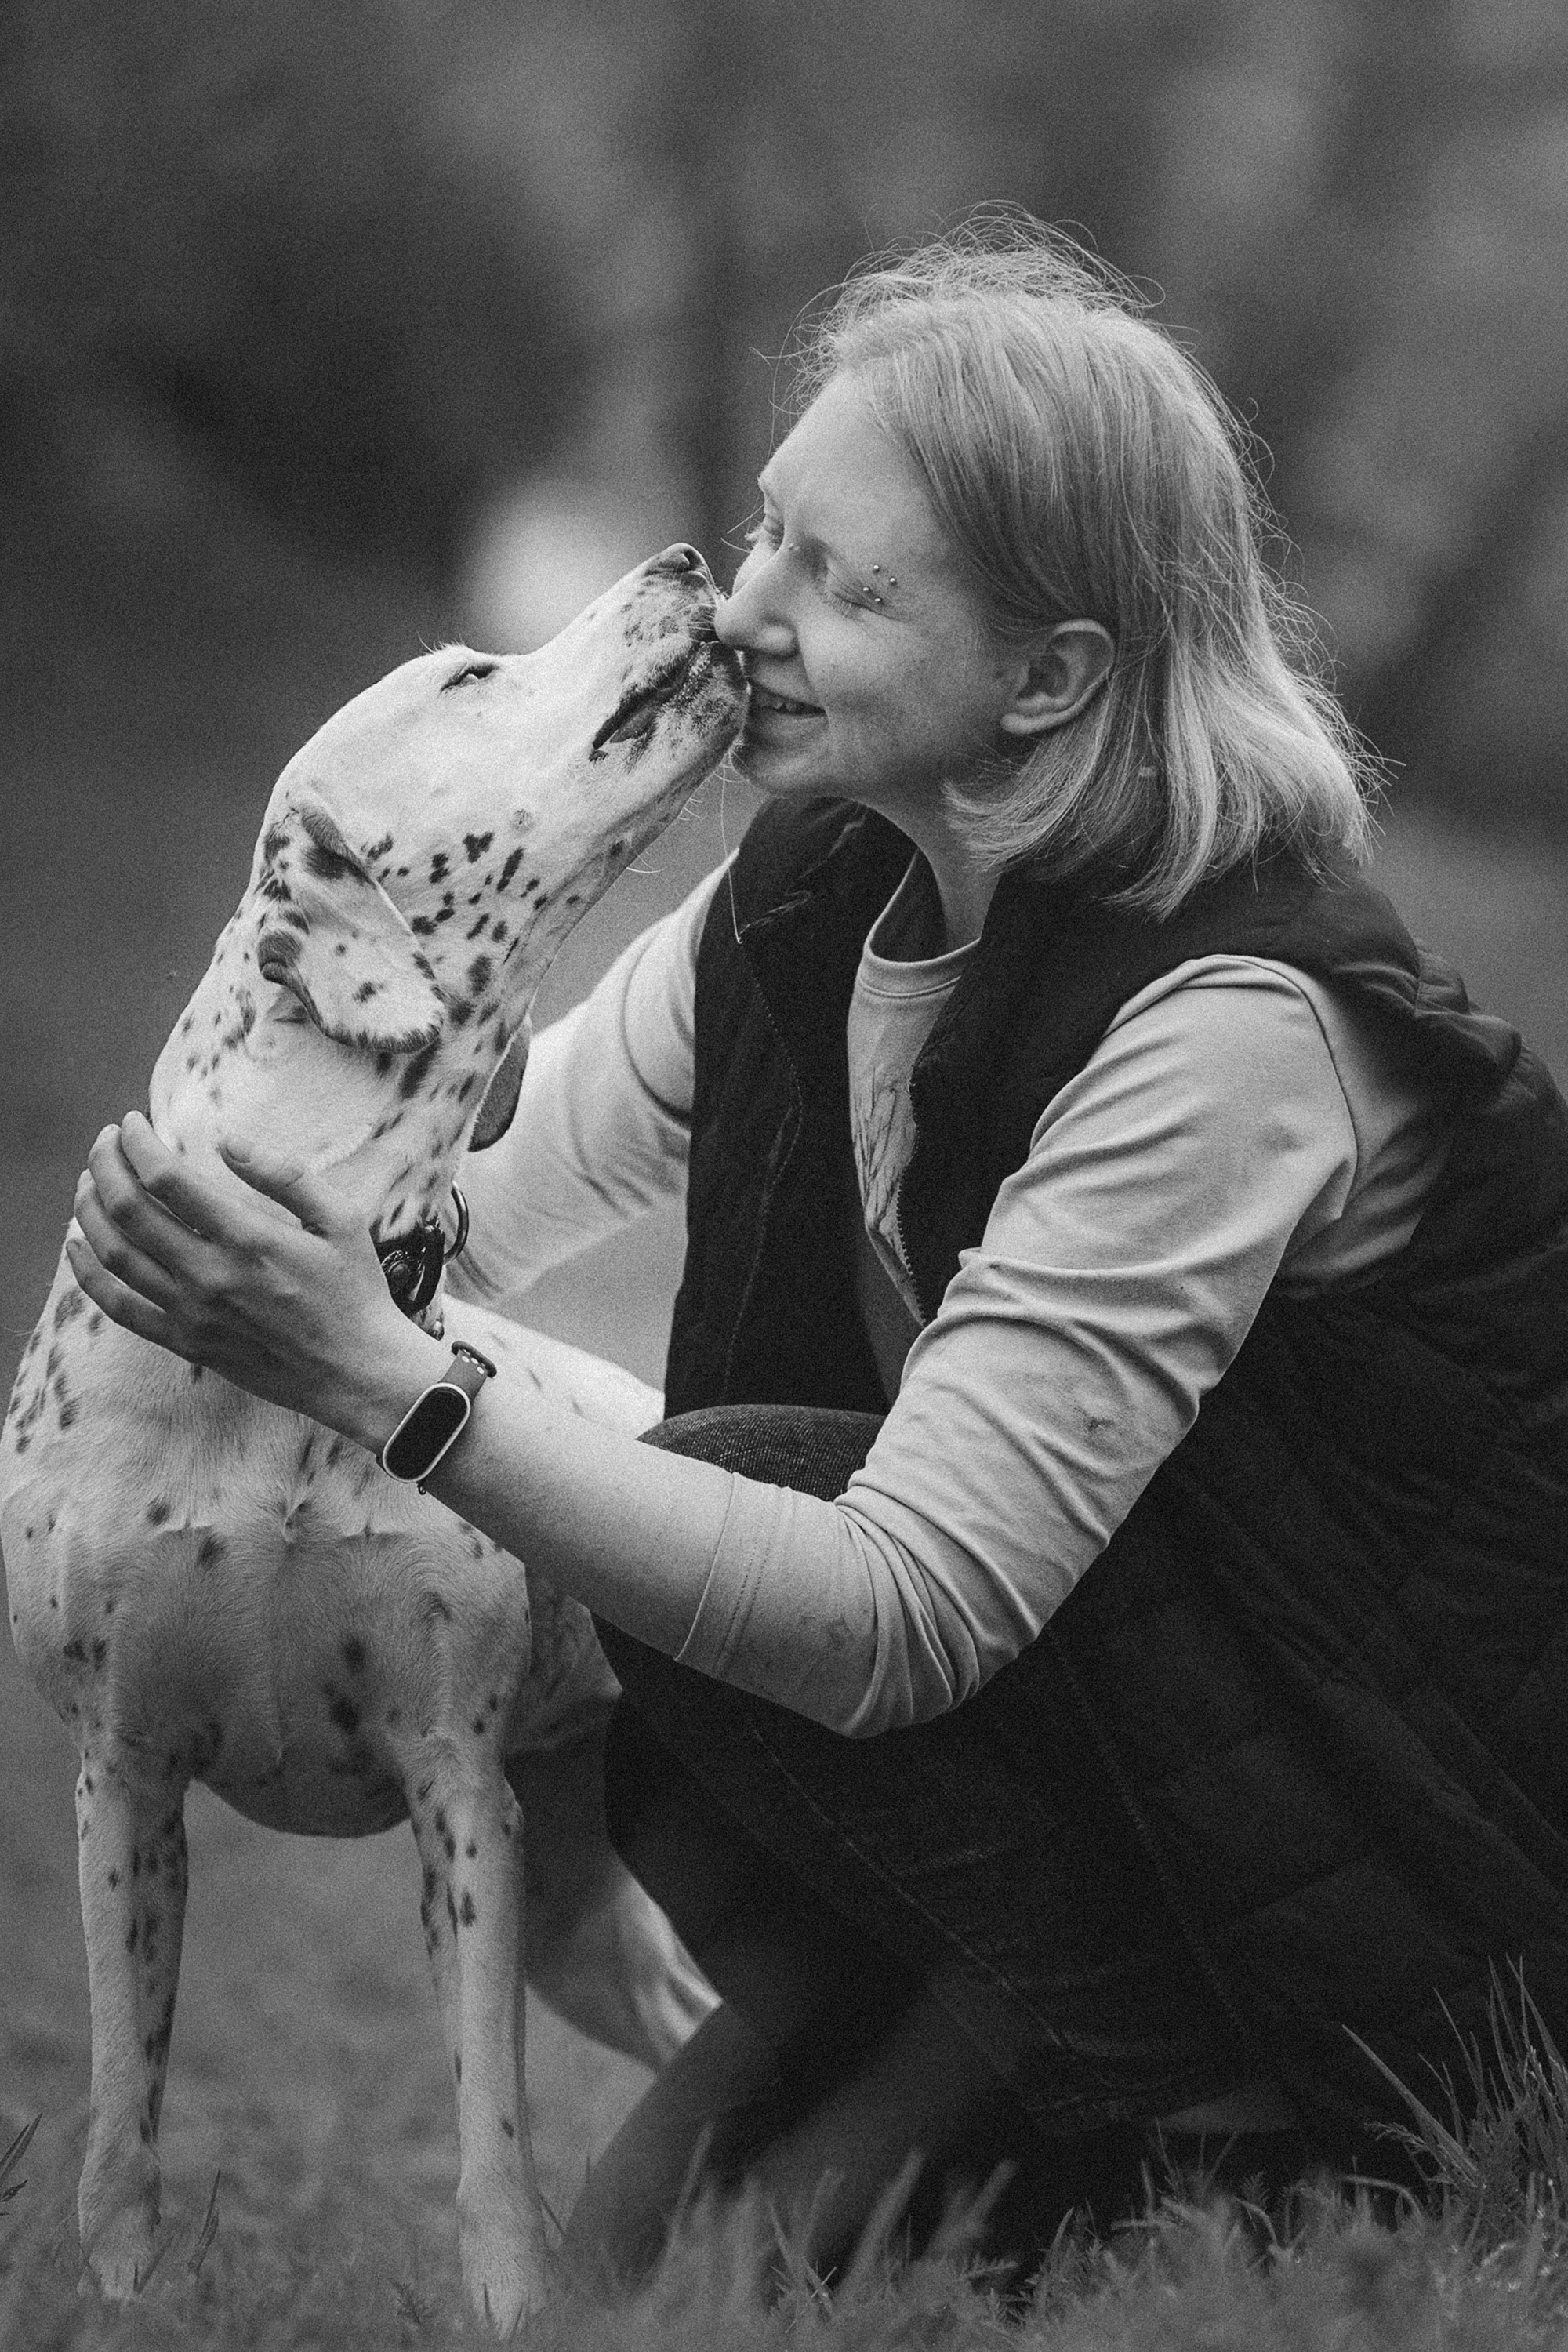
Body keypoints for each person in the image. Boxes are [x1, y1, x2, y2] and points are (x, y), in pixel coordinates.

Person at [67, 221, 1568, 2285]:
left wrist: (389, 1387)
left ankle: (1265, 2143)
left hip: (1384, 1873)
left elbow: (901, 1611)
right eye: (769, 528)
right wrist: (236, 1197)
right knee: (637, 2290)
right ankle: (1021, 2100)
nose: (742, 610)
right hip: (1078, 1794)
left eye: (843, 587)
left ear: (1048, 681)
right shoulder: (817, 893)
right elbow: (461, 1219)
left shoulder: (1228, 1032)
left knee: (718, 1489)